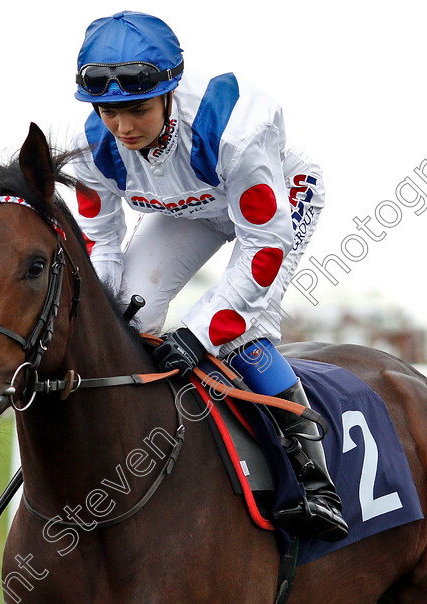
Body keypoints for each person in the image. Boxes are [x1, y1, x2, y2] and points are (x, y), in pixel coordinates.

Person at [70, 10, 347, 542]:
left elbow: (263, 245)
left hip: (274, 200)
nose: (123, 128)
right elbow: (99, 244)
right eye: (108, 112)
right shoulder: (93, 146)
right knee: (129, 311)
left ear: (169, 93)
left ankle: (316, 482)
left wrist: (199, 334)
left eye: (137, 111)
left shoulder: (235, 130)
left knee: (241, 330)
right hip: (189, 206)